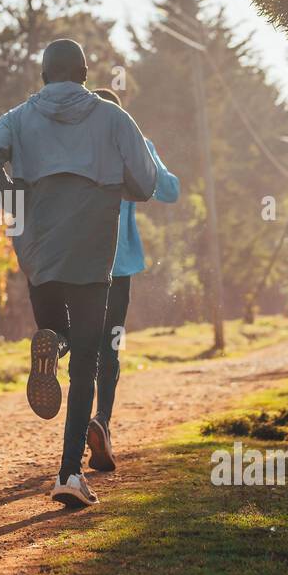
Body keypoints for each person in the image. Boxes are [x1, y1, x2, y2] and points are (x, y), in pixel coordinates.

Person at [0, 39, 156, 509]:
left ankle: (51, 342)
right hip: (92, 251)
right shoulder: (114, 117)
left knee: (57, 328)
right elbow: (147, 182)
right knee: (88, 361)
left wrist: (17, 198)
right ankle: (69, 474)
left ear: (43, 76)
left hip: (38, 250)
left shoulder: (16, 117)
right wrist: (117, 185)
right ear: (83, 72)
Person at [87, 89, 179, 472]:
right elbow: (170, 190)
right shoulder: (135, 143)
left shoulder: (77, 144)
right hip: (117, 267)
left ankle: (55, 342)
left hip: (73, 262)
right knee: (109, 348)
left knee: (81, 344)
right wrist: (143, 149)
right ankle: (101, 422)